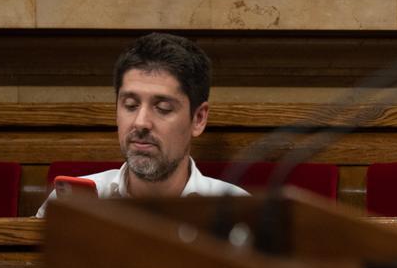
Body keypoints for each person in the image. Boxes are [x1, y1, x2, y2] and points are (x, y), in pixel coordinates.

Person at [37, 33, 247, 216]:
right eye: (130, 105)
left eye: (163, 108)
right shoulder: (68, 204)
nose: (141, 122)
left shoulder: (238, 210)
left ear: (198, 119)